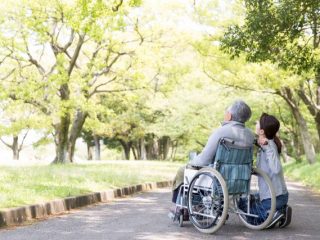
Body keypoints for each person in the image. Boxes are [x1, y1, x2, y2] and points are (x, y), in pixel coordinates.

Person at [170, 100, 254, 207]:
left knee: (182, 171)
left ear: (229, 116)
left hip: (218, 176)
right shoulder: (250, 135)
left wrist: (190, 163)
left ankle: (182, 207)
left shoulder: (221, 132)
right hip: (240, 177)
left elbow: (204, 159)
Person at [240, 113, 292, 228]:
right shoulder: (267, 143)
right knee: (247, 201)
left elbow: (276, 169)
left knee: (246, 212)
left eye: (258, 123)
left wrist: (267, 147)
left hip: (273, 197)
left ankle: (272, 214)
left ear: (262, 131)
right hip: (279, 195)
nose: (256, 124)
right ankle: (280, 210)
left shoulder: (269, 146)